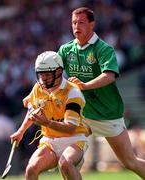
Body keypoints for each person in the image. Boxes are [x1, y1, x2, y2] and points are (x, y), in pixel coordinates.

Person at [58, 7, 145, 179]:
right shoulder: (66, 50)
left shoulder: (104, 49)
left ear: (92, 24)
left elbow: (109, 76)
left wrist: (84, 85)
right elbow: (54, 76)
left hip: (108, 114)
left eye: (81, 22)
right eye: (74, 23)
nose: (76, 26)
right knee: (66, 162)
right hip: (82, 115)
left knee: (130, 162)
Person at [10, 51, 91, 180]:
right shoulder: (38, 88)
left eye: (47, 74)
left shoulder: (73, 92)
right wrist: (20, 132)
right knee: (31, 169)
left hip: (74, 139)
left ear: (59, 72)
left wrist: (47, 123)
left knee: (66, 164)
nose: (43, 78)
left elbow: (70, 127)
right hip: (49, 142)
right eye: (41, 74)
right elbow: (32, 111)